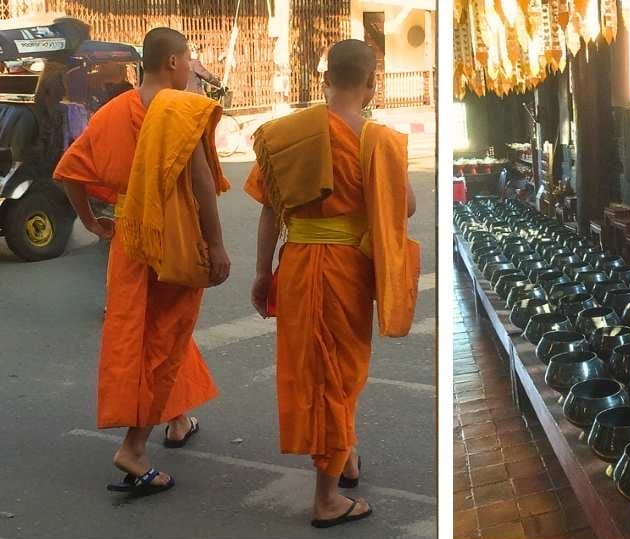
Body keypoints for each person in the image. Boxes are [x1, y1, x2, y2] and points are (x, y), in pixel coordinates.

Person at [246, 39, 419, 528]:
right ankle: (325, 500)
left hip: (298, 262)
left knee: (323, 369)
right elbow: (403, 207)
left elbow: (268, 211)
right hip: (346, 269)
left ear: (325, 79)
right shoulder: (378, 140)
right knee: (336, 372)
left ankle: (345, 454)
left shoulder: (288, 135)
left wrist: (263, 274)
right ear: (371, 83)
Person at [53, 27, 231, 496]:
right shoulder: (179, 110)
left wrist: (92, 222)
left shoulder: (112, 112)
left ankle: (177, 419)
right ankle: (133, 448)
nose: (193, 66)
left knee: (148, 331)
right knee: (165, 338)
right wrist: (215, 244)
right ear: (173, 61)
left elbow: (70, 170)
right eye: (189, 57)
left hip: (130, 234)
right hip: (173, 234)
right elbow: (201, 185)